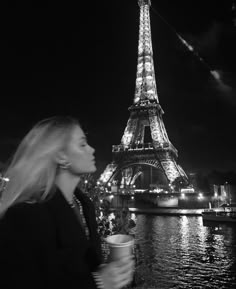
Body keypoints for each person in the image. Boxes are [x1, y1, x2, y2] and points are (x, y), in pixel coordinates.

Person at [0, 116, 134, 289]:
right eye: (82, 144)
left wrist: (107, 271)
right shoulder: (25, 216)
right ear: (61, 156)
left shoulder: (85, 206)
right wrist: (97, 282)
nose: (92, 150)